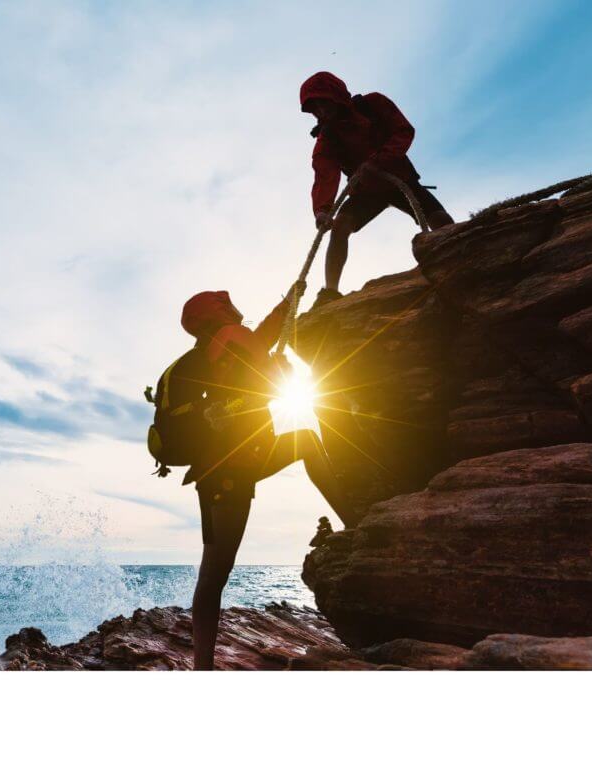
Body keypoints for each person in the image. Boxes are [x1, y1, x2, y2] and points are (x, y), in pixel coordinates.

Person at [179, 285, 359, 670]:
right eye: (223, 300)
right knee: (216, 570)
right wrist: (281, 371)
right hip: (234, 467)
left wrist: (289, 300)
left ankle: (201, 666)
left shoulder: (212, 347)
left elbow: (261, 341)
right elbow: (262, 378)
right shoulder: (232, 337)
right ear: (218, 311)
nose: (231, 300)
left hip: (223, 465)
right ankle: (355, 520)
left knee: (214, 567)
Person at [300, 71, 454, 308]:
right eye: (315, 108)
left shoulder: (373, 104)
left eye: (323, 103)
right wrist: (322, 210)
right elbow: (324, 173)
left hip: (399, 178)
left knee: (440, 220)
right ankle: (330, 292)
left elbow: (402, 130)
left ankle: (457, 258)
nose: (320, 111)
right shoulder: (327, 138)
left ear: (336, 96)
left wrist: (378, 160)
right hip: (365, 192)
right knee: (339, 226)